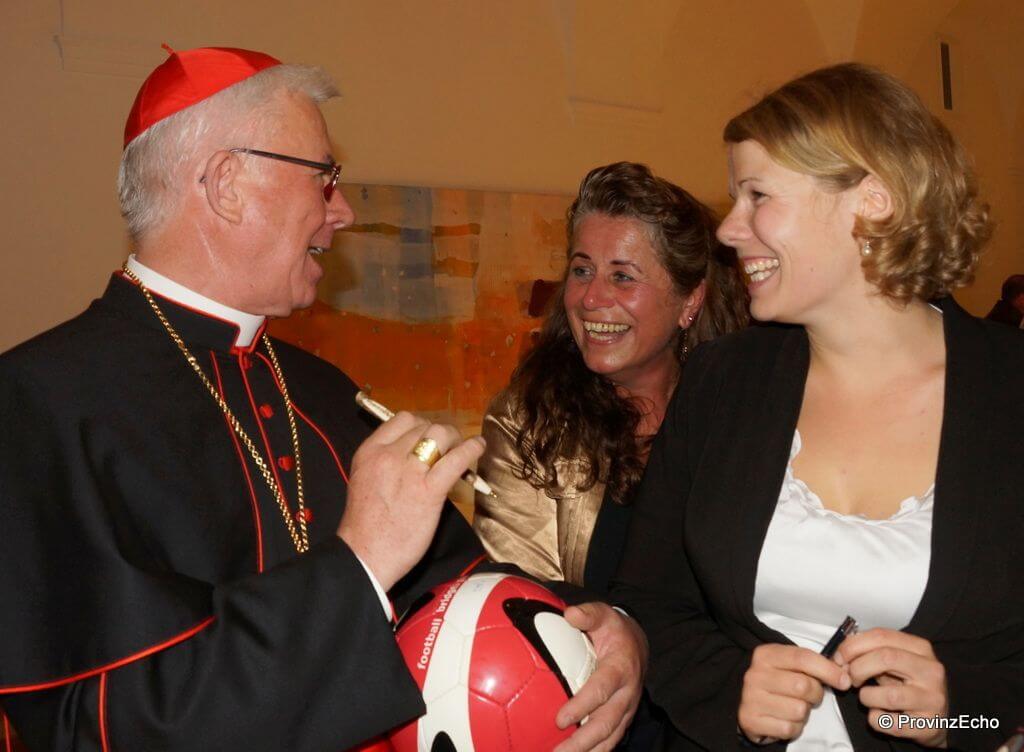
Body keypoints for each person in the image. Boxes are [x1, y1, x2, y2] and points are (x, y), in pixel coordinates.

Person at [0, 46, 645, 752]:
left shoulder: (322, 391)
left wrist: (603, 626)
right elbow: (96, 725)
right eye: (325, 178)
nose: (342, 212)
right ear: (227, 184)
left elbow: (460, 589)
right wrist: (359, 562)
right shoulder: (38, 404)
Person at [613, 63, 1024, 751]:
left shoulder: (1011, 392)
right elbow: (651, 597)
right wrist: (731, 689)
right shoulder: (722, 380)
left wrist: (963, 713)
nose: (729, 230)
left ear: (873, 201)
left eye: (758, 196)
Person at [474, 162, 748, 750]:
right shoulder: (532, 419)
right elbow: (515, 597)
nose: (591, 297)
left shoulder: (741, 414)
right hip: (595, 727)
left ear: (690, 299)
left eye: (623, 276)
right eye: (581, 270)